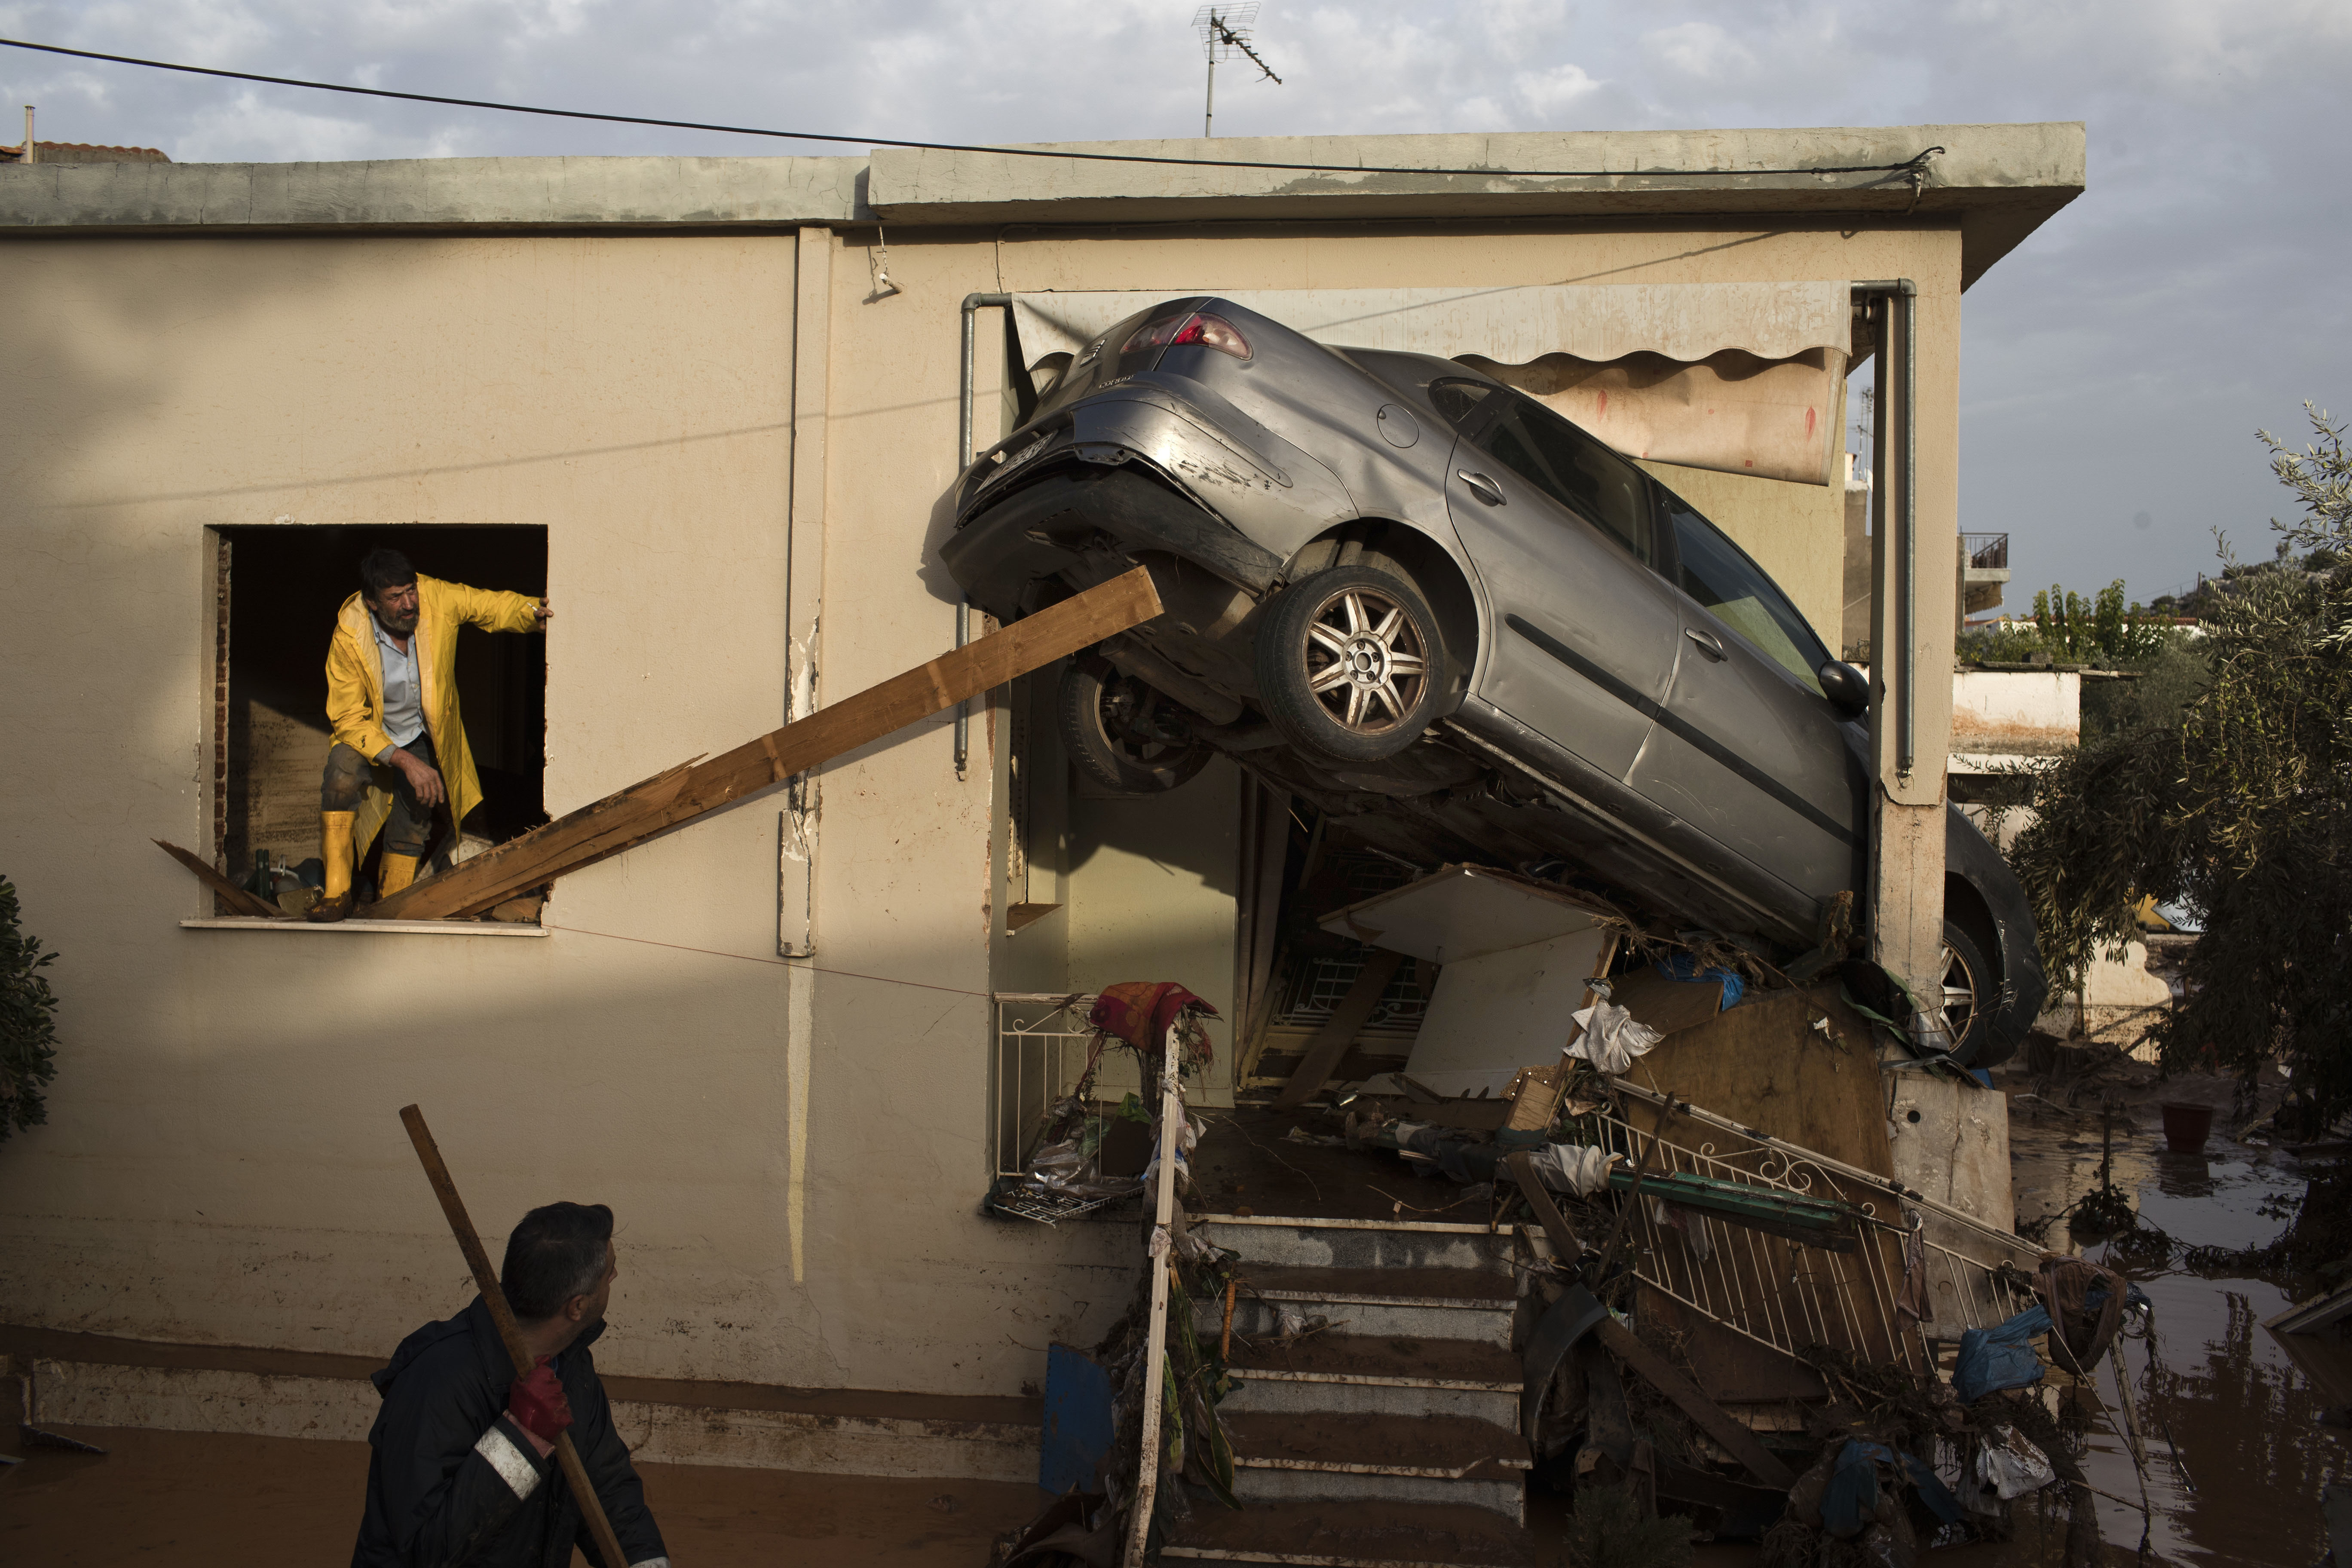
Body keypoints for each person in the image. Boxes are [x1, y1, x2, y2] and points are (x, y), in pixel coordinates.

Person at [352, 1201, 668, 1568]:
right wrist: (520, 1440)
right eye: (608, 1273)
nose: (614, 1275)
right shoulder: (437, 1382)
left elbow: (606, 1489)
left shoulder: (570, 1366)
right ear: (577, 1306)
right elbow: (427, 1551)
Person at [310, 547, 550, 921]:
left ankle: (392, 903)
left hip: (421, 732)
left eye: (411, 591)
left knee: (419, 810)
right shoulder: (349, 633)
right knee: (341, 770)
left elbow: (484, 605)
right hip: (371, 734)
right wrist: (403, 761)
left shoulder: (434, 596)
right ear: (372, 603)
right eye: (395, 597)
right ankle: (337, 894)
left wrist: (531, 612)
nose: (409, 604)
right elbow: (347, 718)